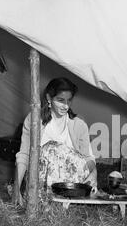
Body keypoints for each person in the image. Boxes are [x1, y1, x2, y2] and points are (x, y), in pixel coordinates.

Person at [13, 78, 97, 206]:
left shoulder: (79, 125)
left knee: (58, 149)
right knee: (51, 148)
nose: (66, 106)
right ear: (49, 97)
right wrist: (16, 188)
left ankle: (67, 201)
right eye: (61, 100)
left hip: (70, 184)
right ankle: (48, 200)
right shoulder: (34, 120)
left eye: (69, 100)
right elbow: (24, 155)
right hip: (40, 181)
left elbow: (88, 158)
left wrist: (94, 174)